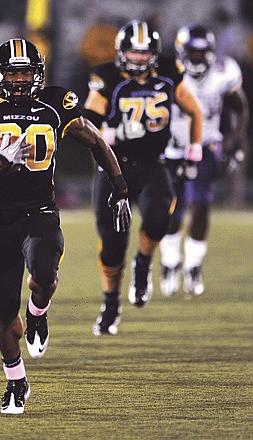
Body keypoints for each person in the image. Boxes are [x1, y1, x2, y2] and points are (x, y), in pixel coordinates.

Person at [0, 38, 130, 414]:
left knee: (45, 276)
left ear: (38, 74)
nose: (19, 81)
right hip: (0, 217)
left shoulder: (56, 103)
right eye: (12, 73)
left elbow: (96, 140)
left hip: (41, 210)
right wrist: (1, 162)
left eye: (26, 72)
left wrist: (120, 188)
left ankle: (37, 313)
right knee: (3, 314)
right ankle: (16, 381)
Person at [84, 20, 203, 336]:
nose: (138, 59)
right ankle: (111, 304)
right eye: (132, 53)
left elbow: (195, 110)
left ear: (154, 53)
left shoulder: (167, 72)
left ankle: (143, 265)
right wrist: (116, 132)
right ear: (121, 52)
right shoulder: (106, 76)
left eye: (144, 53)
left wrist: (194, 151)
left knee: (159, 217)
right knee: (112, 244)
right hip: (113, 168)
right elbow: (87, 125)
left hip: (152, 163)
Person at [159, 25, 249, 297]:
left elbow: (240, 108)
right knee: (171, 213)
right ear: (181, 51)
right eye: (193, 53)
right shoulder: (165, 73)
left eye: (202, 53)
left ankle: (193, 267)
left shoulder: (224, 72)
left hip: (205, 147)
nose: (198, 58)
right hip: (171, 149)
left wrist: (236, 143)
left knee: (201, 208)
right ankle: (170, 262)